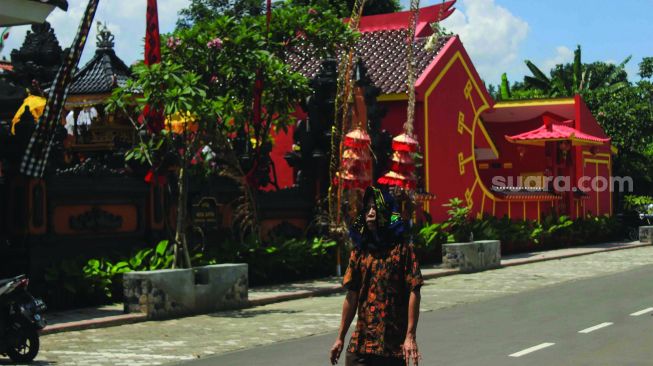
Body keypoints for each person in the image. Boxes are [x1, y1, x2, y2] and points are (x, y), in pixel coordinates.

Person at [330, 186, 424, 366]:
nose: (371, 213)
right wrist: (340, 337)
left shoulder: (402, 250)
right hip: (362, 344)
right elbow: (352, 295)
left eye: (376, 208)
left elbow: (414, 289)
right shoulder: (360, 252)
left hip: (392, 346)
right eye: (367, 209)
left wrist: (410, 336)